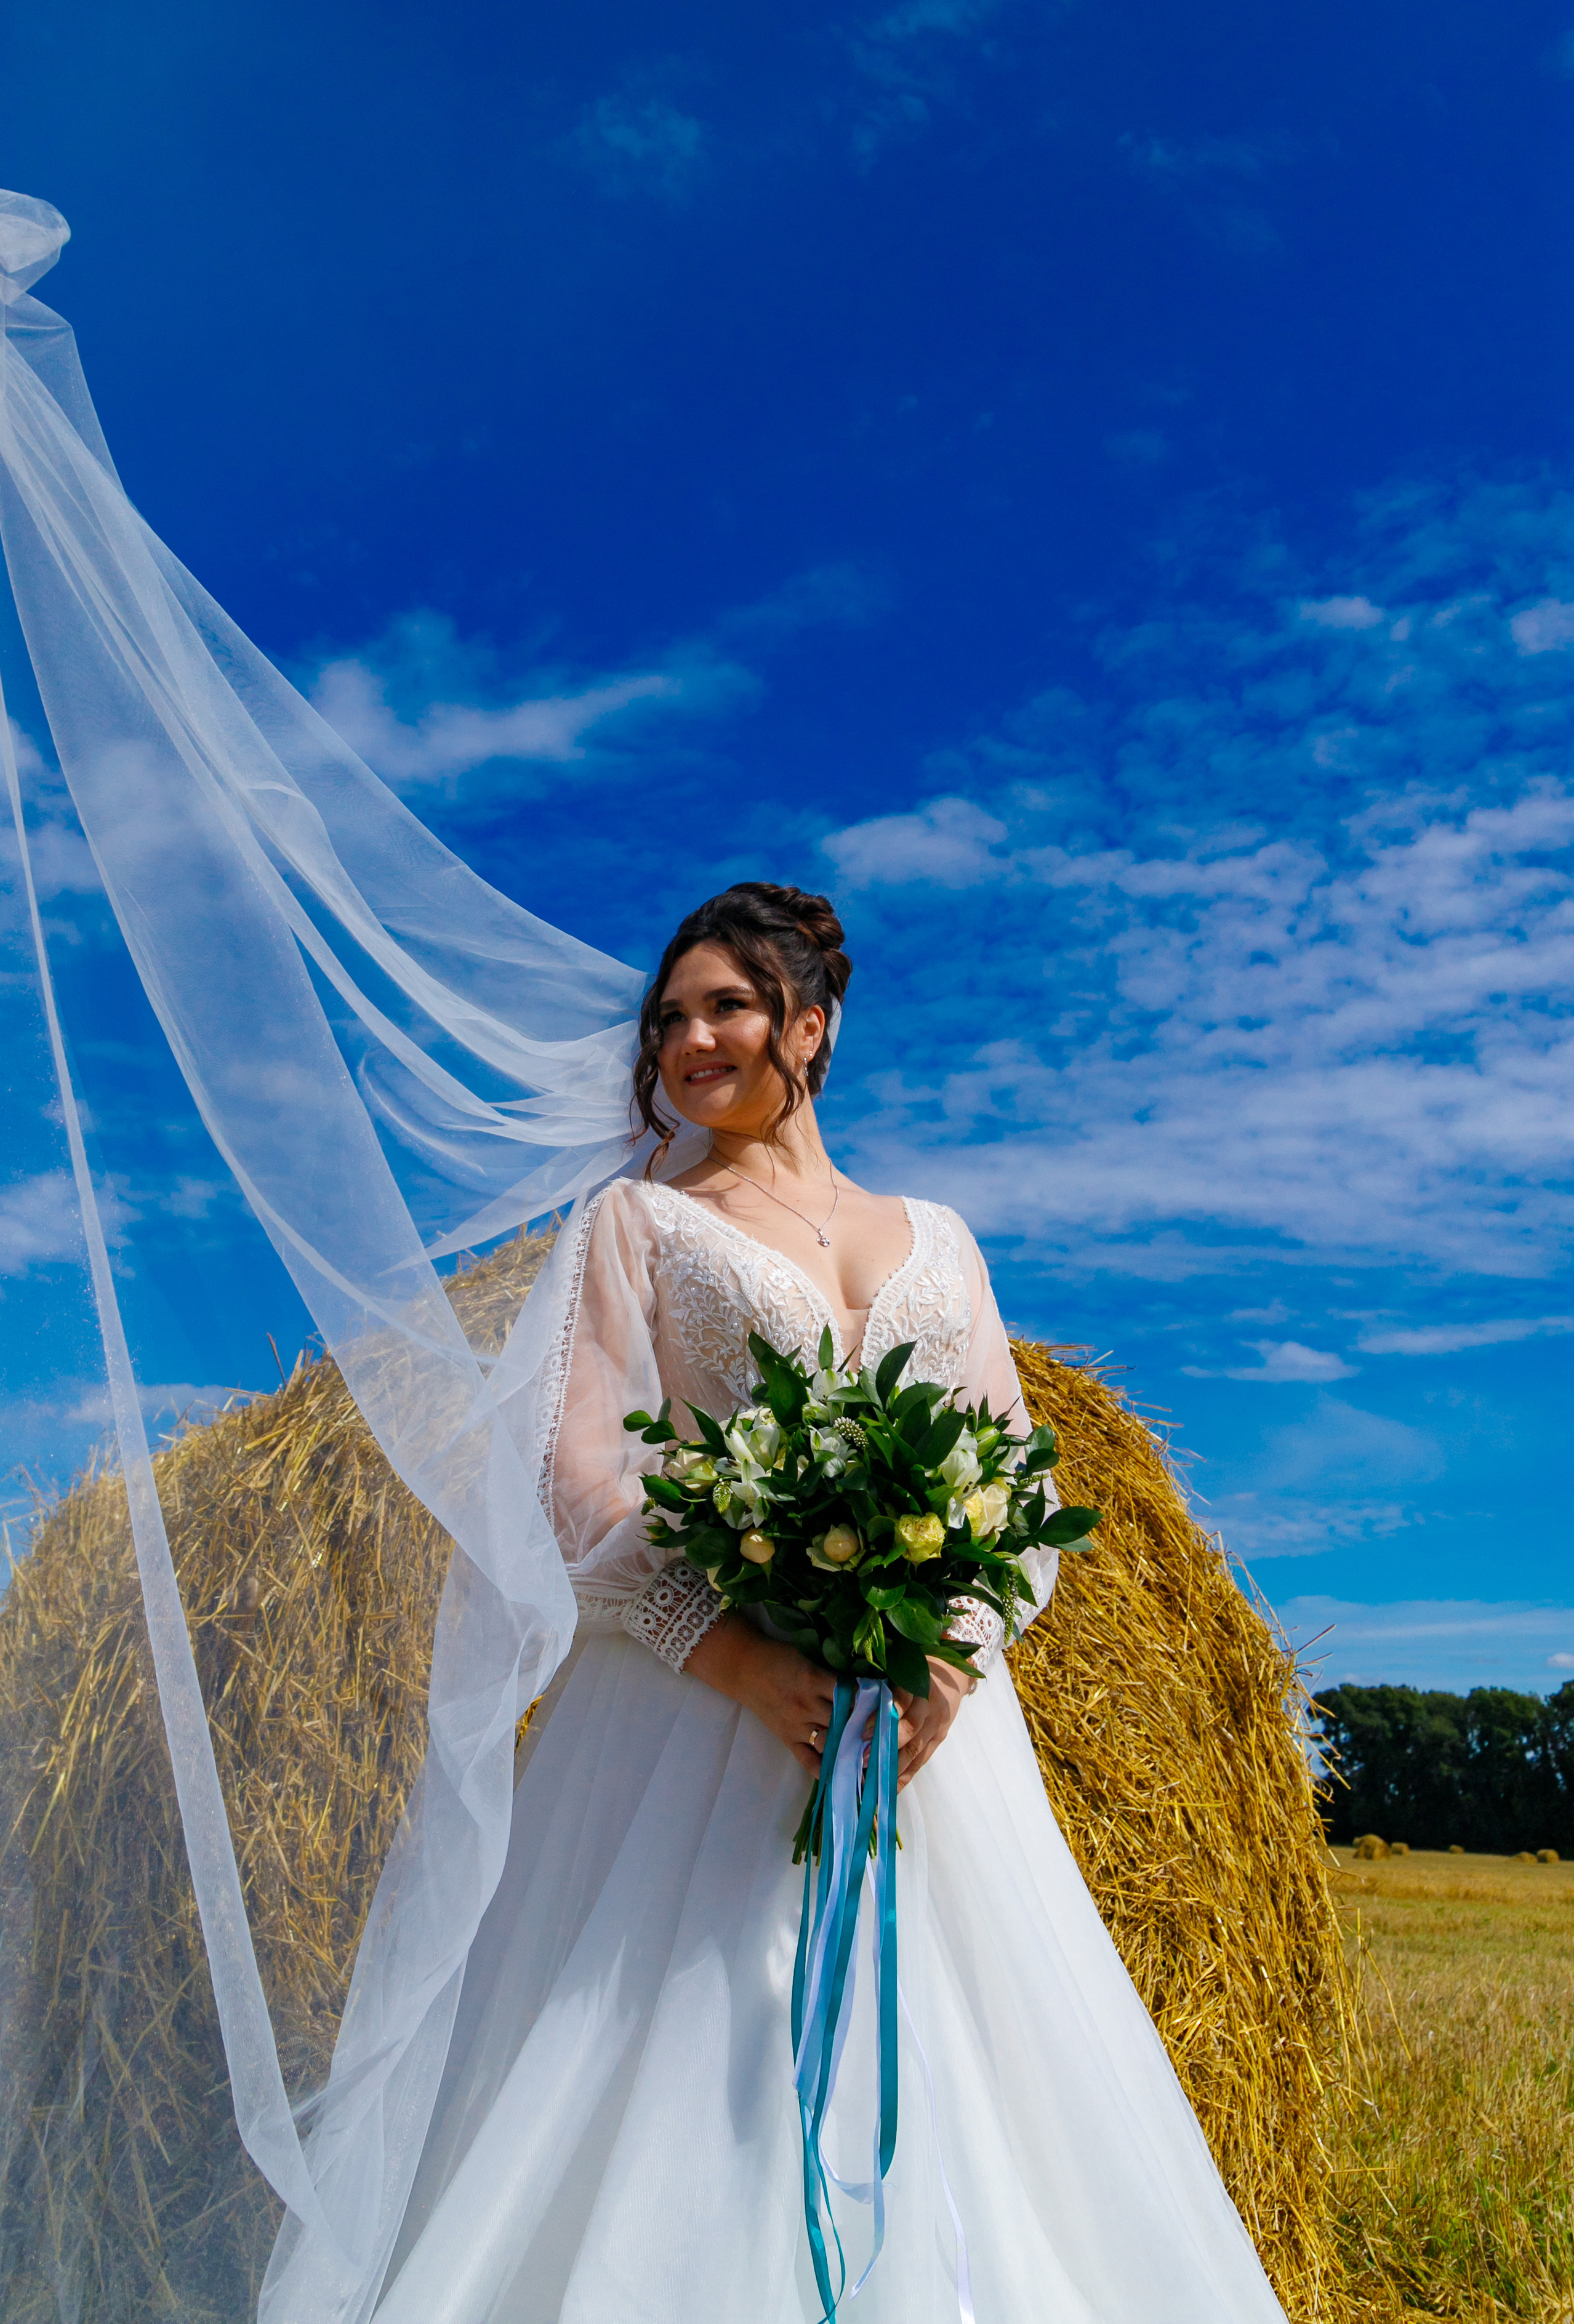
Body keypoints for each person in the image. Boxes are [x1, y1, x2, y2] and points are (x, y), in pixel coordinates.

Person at [371, 882, 1288, 2324]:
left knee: (976, 2092)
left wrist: (955, 1662)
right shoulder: (637, 1224)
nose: (689, 1039)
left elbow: (1020, 1487)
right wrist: (736, 1661)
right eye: (668, 1019)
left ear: (811, 1023)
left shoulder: (940, 1235)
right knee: (697, 2065)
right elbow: (576, 1495)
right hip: (703, 1721)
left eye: (724, 1006)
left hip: (930, 1736)